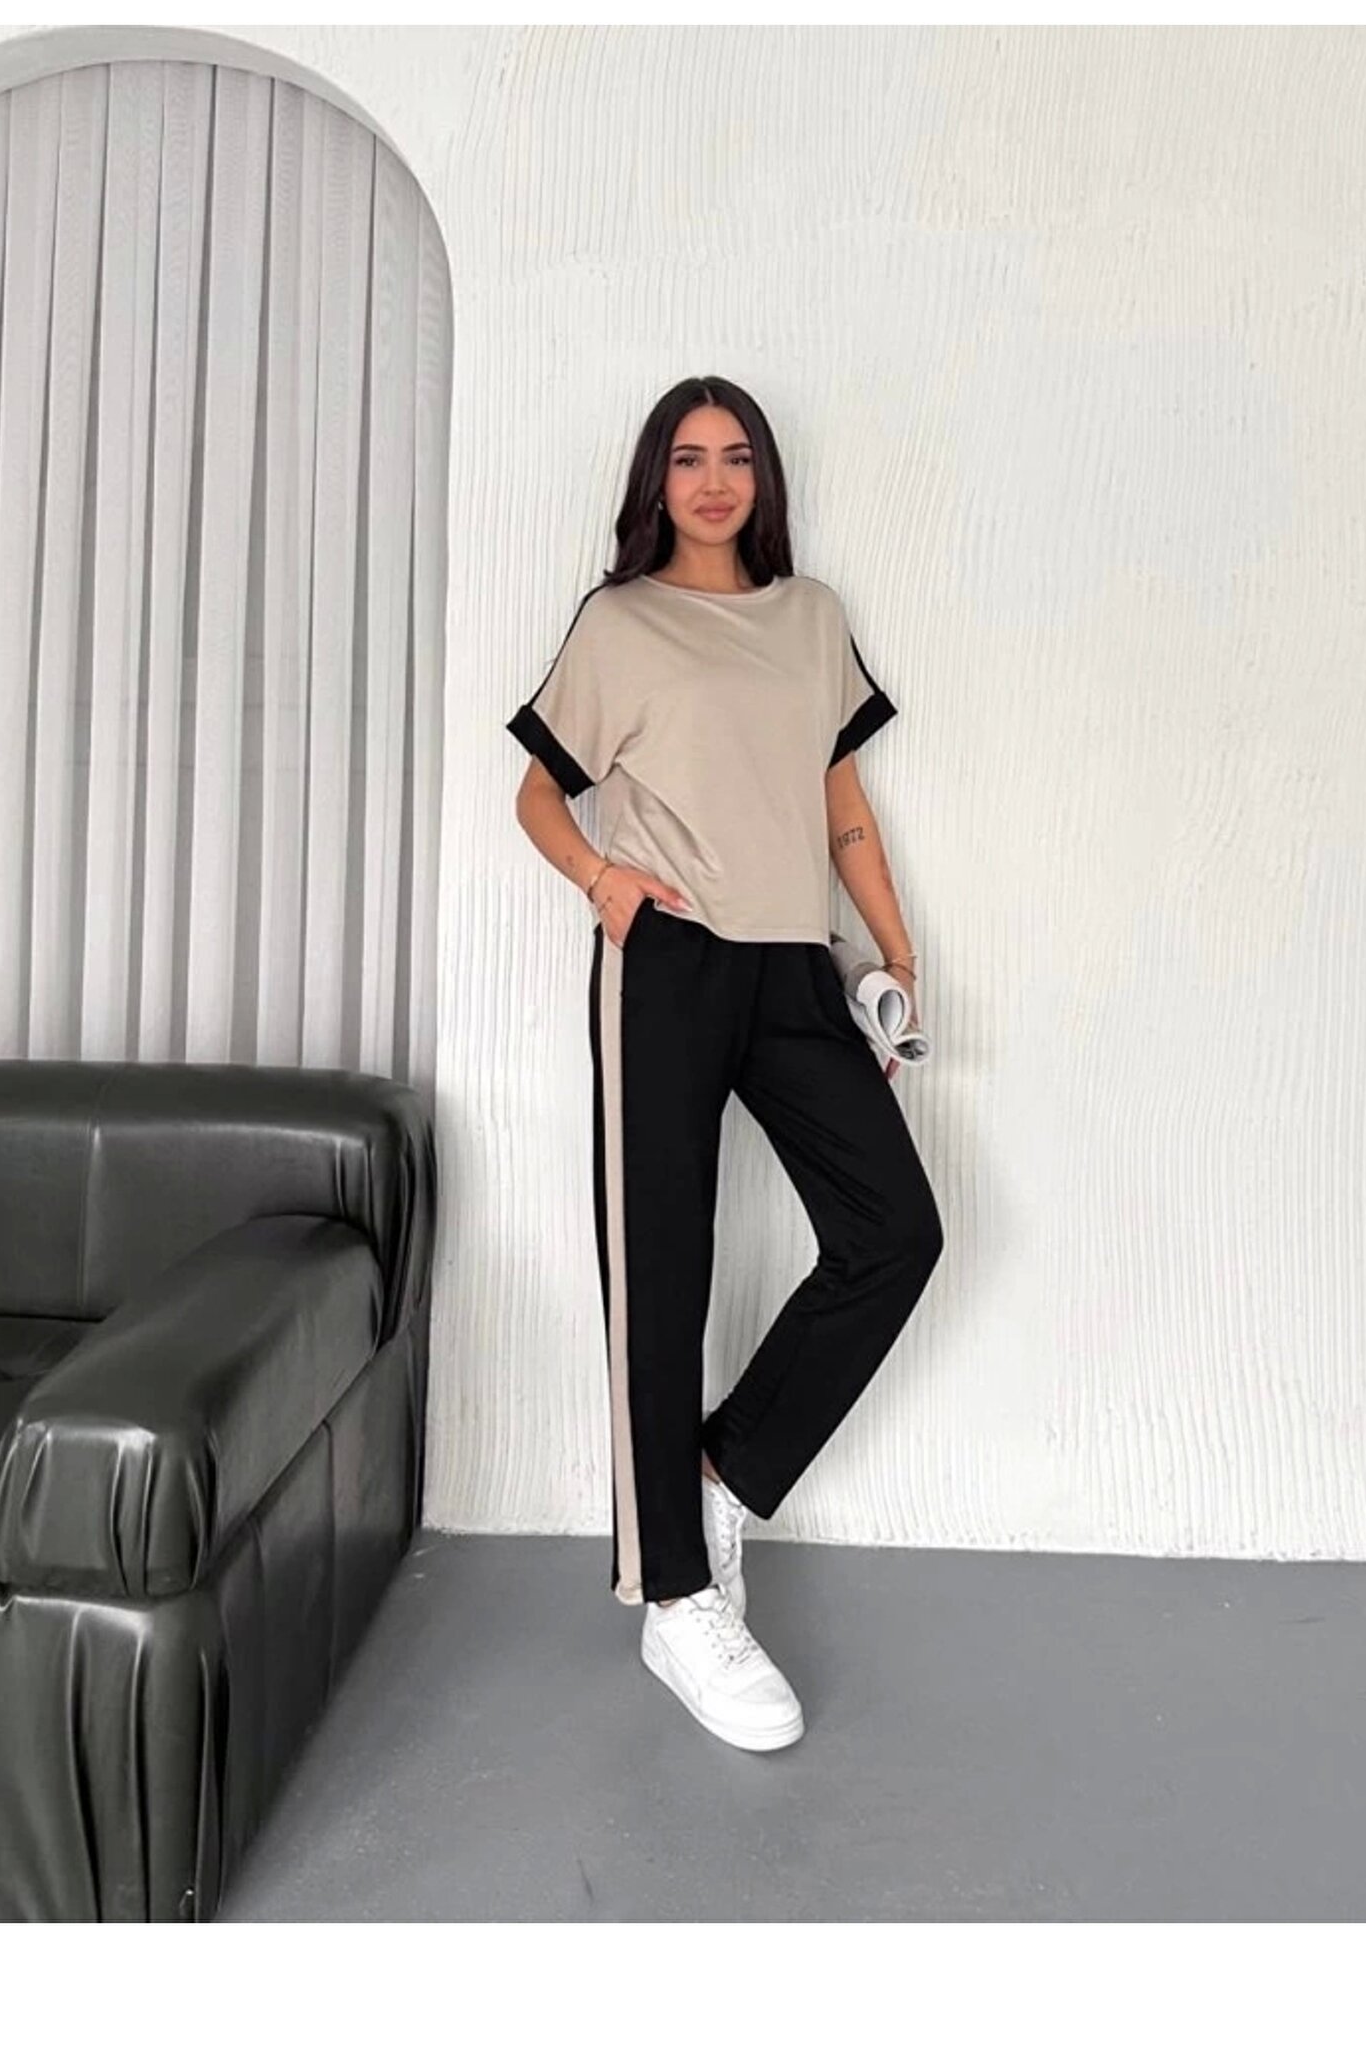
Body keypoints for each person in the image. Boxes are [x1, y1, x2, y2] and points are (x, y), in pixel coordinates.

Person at [505, 375, 944, 1754]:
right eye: (688, 458)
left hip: (796, 965)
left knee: (895, 1233)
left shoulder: (810, 618)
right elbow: (538, 789)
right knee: (663, 1273)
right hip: (670, 964)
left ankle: (724, 1475)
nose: (712, 481)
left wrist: (895, 948)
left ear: (764, 479)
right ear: (658, 479)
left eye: (736, 457)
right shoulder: (619, 621)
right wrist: (603, 881)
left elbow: (840, 801)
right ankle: (675, 1597)